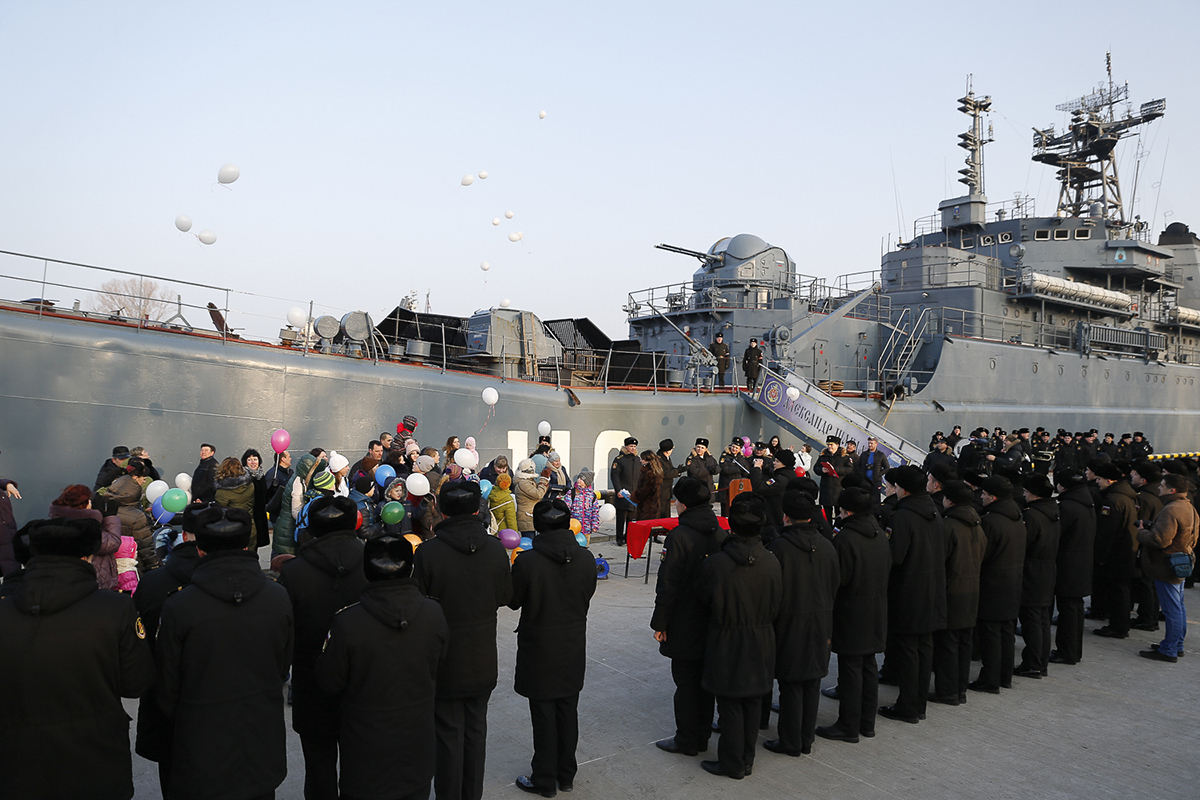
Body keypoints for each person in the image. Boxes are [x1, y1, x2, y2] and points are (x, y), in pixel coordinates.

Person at [0, 517, 155, 800]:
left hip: (18, 764)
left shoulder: (5, 613)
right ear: (86, 556)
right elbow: (136, 683)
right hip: (97, 761)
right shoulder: (115, 608)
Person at [155, 506, 293, 800]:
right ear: (245, 546)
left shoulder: (180, 606)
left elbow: (168, 684)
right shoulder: (278, 596)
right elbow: (282, 664)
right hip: (261, 736)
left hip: (201, 739)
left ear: (200, 550)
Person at [314, 534, 448, 800]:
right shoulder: (433, 613)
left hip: (366, 747)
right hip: (416, 740)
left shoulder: (348, 621)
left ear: (366, 572)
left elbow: (328, 680)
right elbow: (440, 660)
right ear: (410, 568)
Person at [414, 481, 512, 800]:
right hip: (483, 658)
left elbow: (418, 606)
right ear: (475, 510)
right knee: (475, 732)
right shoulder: (496, 549)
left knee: (447, 736)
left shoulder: (429, 553)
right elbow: (504, 596)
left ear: (441, 511)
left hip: (444, 660)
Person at [278, 496, 367, 800]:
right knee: (361, 764)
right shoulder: (372, 562)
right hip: (364, 679)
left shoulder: (294, 573)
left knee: (318, 766)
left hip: (312, 679)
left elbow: (285, 634)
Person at [510, 499, 597, 798]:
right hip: (572, 643)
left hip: (540, 646)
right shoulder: (586, 559)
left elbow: (512, 599)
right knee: (567, 710)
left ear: (538, 526)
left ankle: (544, 778)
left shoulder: (528, 561)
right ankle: (566, 774)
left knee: (544, 714)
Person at [698, 493, 781, 779]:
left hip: (727, 637)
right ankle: (746, 758)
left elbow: (704, 600)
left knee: (731, 702)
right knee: (752, 700)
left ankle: (732, 763)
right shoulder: (771, 562)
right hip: (762, 637)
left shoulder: (716, 564)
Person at [133, 501, 207, 795]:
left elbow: (138, 647)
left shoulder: (152, 583)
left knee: (174, 780)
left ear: (185, 534)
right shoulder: (250, 587)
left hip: (167, 705)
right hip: (224, 707)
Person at [651, 477, 725, 758]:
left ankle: (686, 739)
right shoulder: (718, 532)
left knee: (685, 684)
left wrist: (660, 622)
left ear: (682, 503)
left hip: (683, 620)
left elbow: (668, 583)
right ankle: (702, 735)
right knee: (706, 683)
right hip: (712, 618)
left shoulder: (679, 536)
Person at [764, 491, 838, 756]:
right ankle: (805, 738)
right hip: (821, 622)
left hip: (789, 624)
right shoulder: (828, 546)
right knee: (812, 683)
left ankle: (790, 741)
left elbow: (770, 592)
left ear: (785, 516)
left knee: (791, 685)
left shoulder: (779, 548)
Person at [816, 487, 891, 744]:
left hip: (852, 612)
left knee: (850, 669)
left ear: (847, 511)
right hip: (876, 608)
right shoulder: (879, 533)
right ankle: (866, 723)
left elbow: (839, 579)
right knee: (869, 666)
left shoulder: (846, 539)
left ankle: (848, 725)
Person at [878, 465, 946, 725]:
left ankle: (907, 706)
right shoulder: (934, 511)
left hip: (908, 592)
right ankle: (918, 705)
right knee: (924, 649)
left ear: (902, 489)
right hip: (932, 590)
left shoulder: (902, 517)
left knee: (907, 652)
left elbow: (895, 557)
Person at [931, 481, 986, 705]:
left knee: (948, 644)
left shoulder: (949, 526)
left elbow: (939, 561)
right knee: (964, 643)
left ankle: (947, 691)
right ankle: (960, 688)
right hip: (971, 590)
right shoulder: (977, 523)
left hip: (952, 591)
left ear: (949, 500)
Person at [971, 476, 1026, 694]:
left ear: (993, 497)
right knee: (1006, 632)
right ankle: (1004, 676)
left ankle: (990, 679)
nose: (982, 497)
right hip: (1013, 582)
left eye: (984, 494)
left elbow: (982, 555)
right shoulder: (1017, 517)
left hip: (992, 584)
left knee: (991, 634)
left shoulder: (991, 521)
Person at [1136, 473, 1199, 662]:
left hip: (1167, 565)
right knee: (1178, 606)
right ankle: (1176, 644)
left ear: (1172, 490)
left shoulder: (1171, 509)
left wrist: (1142, 533)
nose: (1158, 488)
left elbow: (1160, 540)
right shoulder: (1188, 506)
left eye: (1162, 486)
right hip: (1182, 561)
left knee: (1172, 609)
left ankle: (1169, 649)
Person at [1014, 474, 1060, 679]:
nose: (1024, 494)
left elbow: (1024, 544)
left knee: (1031, 619)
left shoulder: (1032, 516)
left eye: (1026, 491)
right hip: (1048, 569)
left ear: (1034, 494)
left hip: (1032, 571)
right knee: (1042, 619)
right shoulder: (1053, 511)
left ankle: (1032, 663)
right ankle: (1040, 662)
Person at [1051, 470, 1095, 665]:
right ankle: (1073, 651)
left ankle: (1066, 651)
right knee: (1075, 610)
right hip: (1082, 562)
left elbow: (1056, 536)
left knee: (1067, 611)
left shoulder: (1067, 507)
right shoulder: (1087, 503)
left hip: (1068, 564)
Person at [1091, 462, 1139, 639]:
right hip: (1127, 550)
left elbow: (1106, 533)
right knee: (1122, 590)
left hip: (1116, 555)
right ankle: (1120, 624)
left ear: (1109, 480)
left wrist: (1100, 556)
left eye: (1099, 479)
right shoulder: (1127, 495)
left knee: (1117, 591)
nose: (1097, 482)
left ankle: (1118, 626)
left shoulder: (1113, 500)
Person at [47, 483, 123, 590]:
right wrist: (110, 517)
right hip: (92, 582)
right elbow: (111, 543)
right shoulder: (85, 527)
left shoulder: (56, 523)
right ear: (85, 504)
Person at [109, 459, 159, 571]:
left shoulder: (108, 505)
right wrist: (154, 566)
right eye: (144, 479)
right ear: (136, 478)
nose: (144, 482)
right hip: (133, 565)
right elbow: (145, 547)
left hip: (111, 565)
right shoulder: (137, 517)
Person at [214, 456, 258, 545]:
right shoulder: (250, 485)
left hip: (231, 529)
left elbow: (219, 511)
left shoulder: (223, 491)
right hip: (250, 525)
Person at [610, 437, 640, 547]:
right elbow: (614, 475)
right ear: (626, 446)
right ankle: (619, 538)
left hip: (634, 494)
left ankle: (628, 537)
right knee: (621, 518)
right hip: (623, 493)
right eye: (631, 446)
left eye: (634, 447)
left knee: (632, 519)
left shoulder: (637, 459)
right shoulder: (619, 459)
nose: (633, 449)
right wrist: (618, 490)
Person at [815, 436, 853, 522]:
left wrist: (835, 470)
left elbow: (849, 469)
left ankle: (837, 529)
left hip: (838, 489)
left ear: (837, 445)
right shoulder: (823, 456)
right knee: (827, 514)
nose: (829, 447)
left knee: (838, 513)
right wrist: (822, 470)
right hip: (826, 488)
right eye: (828, 445)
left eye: (831, 445)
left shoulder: (844, 457)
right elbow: (816, 468)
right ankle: (828, 531)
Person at [515, 458, 550, 534]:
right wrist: (544, 479)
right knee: (529, 543)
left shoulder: (528, 482)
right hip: (527, 519)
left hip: (531, 518)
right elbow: (539, 494)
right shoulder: (523, 484)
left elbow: (542, 491)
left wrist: (545, 480)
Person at [565, 469, 601, 540]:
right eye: (578, 478)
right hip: (574, 527)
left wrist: (594, 525)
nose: (578, 480)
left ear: (586, 482)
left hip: (586, 528)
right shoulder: (572, 493)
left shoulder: (592, 495)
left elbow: (595, 511)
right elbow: (566, 507)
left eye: (581, 479)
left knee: (585, 545)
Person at [634, 450, 664, 521]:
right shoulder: (656, 472)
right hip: (654, 504)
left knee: (645, 526)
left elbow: (645, 491)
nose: (641, 461)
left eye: (642, 459)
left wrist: (634, 495)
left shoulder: (649, 474)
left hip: (647, 506)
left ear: (647, 460)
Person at [655, 439, 680, 518]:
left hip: (667, 491)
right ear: (668, 451)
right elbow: (663, 473)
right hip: (661, 491)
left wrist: (678, 471)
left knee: (666, 514)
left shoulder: (666, 458)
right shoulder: (659, 459)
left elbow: (670, 469)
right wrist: (677, 472)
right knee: (661, 514)